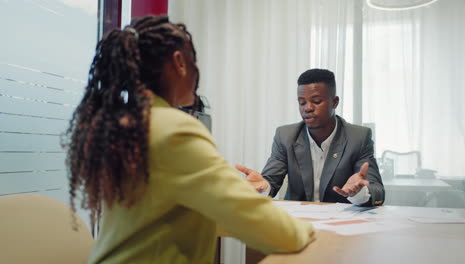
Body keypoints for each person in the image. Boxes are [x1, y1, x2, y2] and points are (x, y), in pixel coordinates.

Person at [63, 15, 315, 264]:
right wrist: (307, 230)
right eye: (195, 62)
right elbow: (252, 218)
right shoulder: (174, 129)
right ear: (179, 62)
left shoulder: (125, 123)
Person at [236, 69, 385, 206]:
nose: (307, 108)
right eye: (302, 102)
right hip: (298, 225)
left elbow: (377, 191)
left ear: (334, 102)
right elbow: (270, 181)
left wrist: (359, 193)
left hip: (341, 225)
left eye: (316, 101)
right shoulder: (286, 136)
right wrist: (263, 187)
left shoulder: (358, 137)